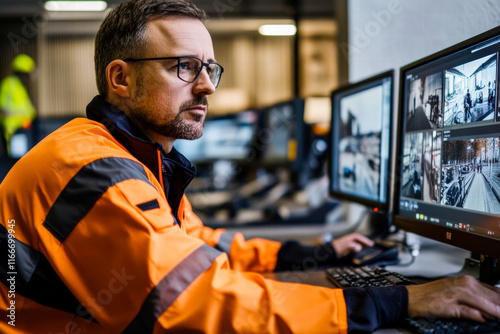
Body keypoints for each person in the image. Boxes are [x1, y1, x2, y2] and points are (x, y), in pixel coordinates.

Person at [1, 0, 500, 332]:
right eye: (185, 66)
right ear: (120, 79)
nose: (208, 87)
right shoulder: (93, 169)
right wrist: (394, 303)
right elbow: (191, 302)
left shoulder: (138, 159)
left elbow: (202, 248)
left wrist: (314, 255)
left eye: (210, 68)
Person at [0, 53, 36, 158]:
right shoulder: (10, 85)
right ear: (23, 74)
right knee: (17, 160)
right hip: (14, 130)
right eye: (29, 74)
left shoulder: (18, 86)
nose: (30, 78)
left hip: (22, 129)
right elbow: (2, 107)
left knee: (22, 159)